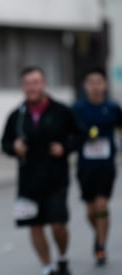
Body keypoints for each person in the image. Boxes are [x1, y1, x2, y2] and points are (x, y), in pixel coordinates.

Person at [1, 66, 84, 275]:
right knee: (34, 226)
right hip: (28, 180)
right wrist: (15, 148)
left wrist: (65, 148)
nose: (32, 87)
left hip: (56, 178)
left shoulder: (61, 111)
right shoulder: (17, 115)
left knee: (58, 224)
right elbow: (5, 143)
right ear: (23, 87)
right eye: (28, 83)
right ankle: (48, 268)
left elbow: (80, 135)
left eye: (36, 82)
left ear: (44, 84)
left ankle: (63, 258)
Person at [73, 68, 122, 266]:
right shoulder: (77, 108)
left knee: (102, 205)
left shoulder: (112, 107)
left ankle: (100, 246)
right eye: (91, 82)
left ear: (105, 84)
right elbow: (70, 132)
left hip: (106, 164)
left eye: (99, 82)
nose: (95, 86)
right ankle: (99, 233)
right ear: (85, 85)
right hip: (85, 166)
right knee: (91, 212)